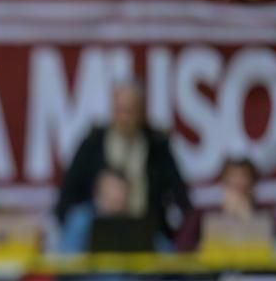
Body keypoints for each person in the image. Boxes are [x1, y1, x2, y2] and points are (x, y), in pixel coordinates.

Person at [56, 81, 191, 239]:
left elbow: (180, 194)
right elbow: (68, 195)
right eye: (119, 111)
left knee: (167, 249)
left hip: (145, 228)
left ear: (140, 112)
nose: (124, 118)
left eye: (129, 111)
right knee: (78, 221)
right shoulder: (93, 144)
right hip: (98, 227)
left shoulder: (157, 146)